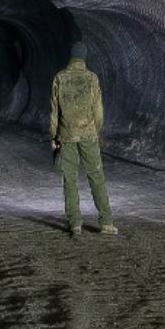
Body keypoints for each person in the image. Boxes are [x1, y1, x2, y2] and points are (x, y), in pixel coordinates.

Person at [50, 42, 117, 237]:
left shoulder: (59, 78)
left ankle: (75, 224)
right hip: (88, 134)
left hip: (66, 134)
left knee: (69, 179)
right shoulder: (92, 78)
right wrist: (98, 129)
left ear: (70, 56)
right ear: (84, 57)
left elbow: (54, 111)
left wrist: (54, 135)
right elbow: (98, 109)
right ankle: (106, 223)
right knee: (96, 176)